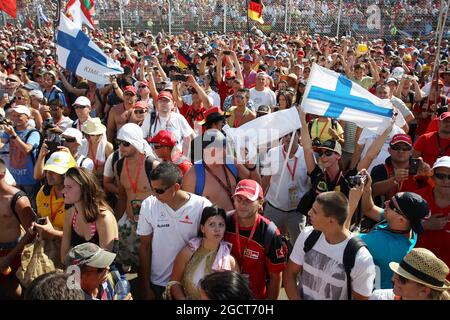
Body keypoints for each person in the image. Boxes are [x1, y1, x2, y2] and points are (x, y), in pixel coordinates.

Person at [137, 162, 212, 299]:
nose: (154, 194)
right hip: (158, 283)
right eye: (152, 189)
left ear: (176, 187)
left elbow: (211, 245)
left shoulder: (202, 206)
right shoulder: (148, 205)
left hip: (190, 284)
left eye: (159, 190)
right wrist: (145, 286)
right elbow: (144, 247)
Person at [283, 191, 376, 300]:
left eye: (315, 211)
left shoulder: (362, 259)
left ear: (331, 221)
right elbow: (289, 274)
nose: (309, 212)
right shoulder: (307, 235)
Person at [351, 173, 430, 289]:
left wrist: (352, 203)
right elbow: (369, 209)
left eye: (392, 205)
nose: (386, 202)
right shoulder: (408, 228)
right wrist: (367, 187)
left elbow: (342, 237)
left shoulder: (381, 243)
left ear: (401, 219)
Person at [224, 179, 287, 300]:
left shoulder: (270, 233)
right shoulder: (223, 222)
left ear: (260, 202)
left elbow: (276, 276)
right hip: (225, 296)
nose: (242, 204)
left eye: (248, 200)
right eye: (239, 199)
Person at [167, 206, 238, 300]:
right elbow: (174, 282)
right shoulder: (188, 252)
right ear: (202, 228)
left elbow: (236, 293)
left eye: (221, 225)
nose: (217, 229)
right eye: (212, 224)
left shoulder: (230, 261)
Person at [114, 123, 159, 271]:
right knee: (126, 265)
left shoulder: (152, 165)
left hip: (152, 225)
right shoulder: (118, 165)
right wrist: (116, 223)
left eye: (126, 143)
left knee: (151, 266)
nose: (121, 147)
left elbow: (163, 197)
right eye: (119, 143)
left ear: (135, 142)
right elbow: (122, 196)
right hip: (130, 224)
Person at [182, 129, 261, 212]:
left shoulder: (231, 162)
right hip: (214, 223)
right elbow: (187, 210)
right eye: (219, 148)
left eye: (225, 146)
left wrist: (252, 167)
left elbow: (257, 187)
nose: (225, 152)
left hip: (236, 221)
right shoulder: (193, 175)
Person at [60, 167, 119, 263]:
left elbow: (104, 262)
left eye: (69, 187)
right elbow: (64, 258)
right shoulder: (70, 214)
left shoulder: (104, 218)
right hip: (78, 271)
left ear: (85, 189)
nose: (63, 191)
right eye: (64, 186)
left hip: (104, 273)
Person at [261, 130, 309, 246]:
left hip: (297, 212)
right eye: (285, 134)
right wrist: (259, 200)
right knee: (266, 243)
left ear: (299, 136)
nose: (288, 138)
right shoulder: (272, 153)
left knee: (298, 246)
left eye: (292, 134)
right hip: (273, 208)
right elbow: (266, 179)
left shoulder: (308, 155)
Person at [0, 159, 35, 299]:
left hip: (12, 253)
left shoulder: (18, 199)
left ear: (1, 175)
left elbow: (32, 232)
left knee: (12, 289)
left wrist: (8, 258)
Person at [0, 105, 42, 208]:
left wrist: (14, 136)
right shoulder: (11, 130)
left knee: (30, 208)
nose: (16, 118)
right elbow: (2, 142)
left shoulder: (33, 133)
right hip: (14, 179)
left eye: (19, 115)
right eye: (14, 115)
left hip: (29, 180)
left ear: (27, 117)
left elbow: (27, 149)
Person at [413, 156, 450, 272]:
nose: (446, 181)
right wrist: (425, 225)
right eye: (440, 176)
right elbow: (396, 228)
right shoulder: (415, 199)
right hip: (417, 269)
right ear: (433, 177)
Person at [370, 248, 450, 300]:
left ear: (424, 291)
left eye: (402, 279)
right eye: (396, 273)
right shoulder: (378, 297)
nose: (393, 279)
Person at [64, 242, 131, 300]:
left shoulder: (107, 282)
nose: (107, 268)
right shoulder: (72, 297)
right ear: (80, 276)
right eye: (100, 268)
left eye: (106, 263)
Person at [141, 91, 195, 156]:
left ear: (173, 104)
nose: (163, 103)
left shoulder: (178, 118)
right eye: (160, 101)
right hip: (155, 161)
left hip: (175, 160)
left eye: (166, 101)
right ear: (157, 104)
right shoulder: (149, 118)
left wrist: (185, 157)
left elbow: (190, 137)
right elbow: (142, 138)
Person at [80, 117, 113, 186]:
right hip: (85, 182)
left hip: (102, 183)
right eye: (93, 135)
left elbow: (112, 168)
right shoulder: (82, 144)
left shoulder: (108, 146)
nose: (97, 137)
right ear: (87, 135)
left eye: (99, 134)